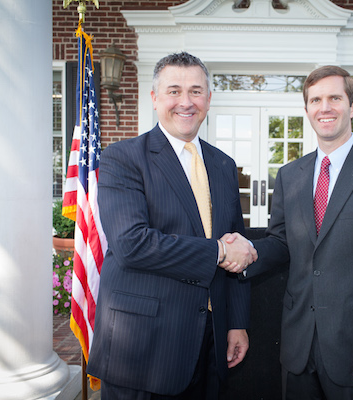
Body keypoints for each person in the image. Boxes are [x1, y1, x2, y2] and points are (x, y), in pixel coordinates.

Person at [223, 65, 353, 399]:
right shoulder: (289, 175)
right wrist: (248, 251)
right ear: (306, 110)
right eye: (316, 100)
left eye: (334, 98)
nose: (324, 107)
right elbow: (282, 242)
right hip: (298, 346)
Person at [87, 52, 257, 400]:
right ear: (154, 99)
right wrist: (220, 251)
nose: (186, 102)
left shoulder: (224, 165)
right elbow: (132, 244)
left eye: (196, 91)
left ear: (208, 99)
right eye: (174, 90)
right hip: (143, 347)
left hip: (209, 342)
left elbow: (234, 242)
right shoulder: (123, 158)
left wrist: (237, 322)